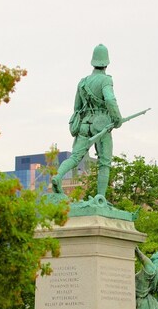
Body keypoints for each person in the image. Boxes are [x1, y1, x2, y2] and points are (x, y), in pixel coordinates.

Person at [51, 44, 123, 197]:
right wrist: (117, 118)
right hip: (101, 125)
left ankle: (58, 176)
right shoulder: (106, 80)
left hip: (85, 125)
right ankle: (100, 198)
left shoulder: (82, 82)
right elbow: (110, 99)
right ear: (107, 63)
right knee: (104, 162)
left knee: (75, 157)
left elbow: (77, 107)